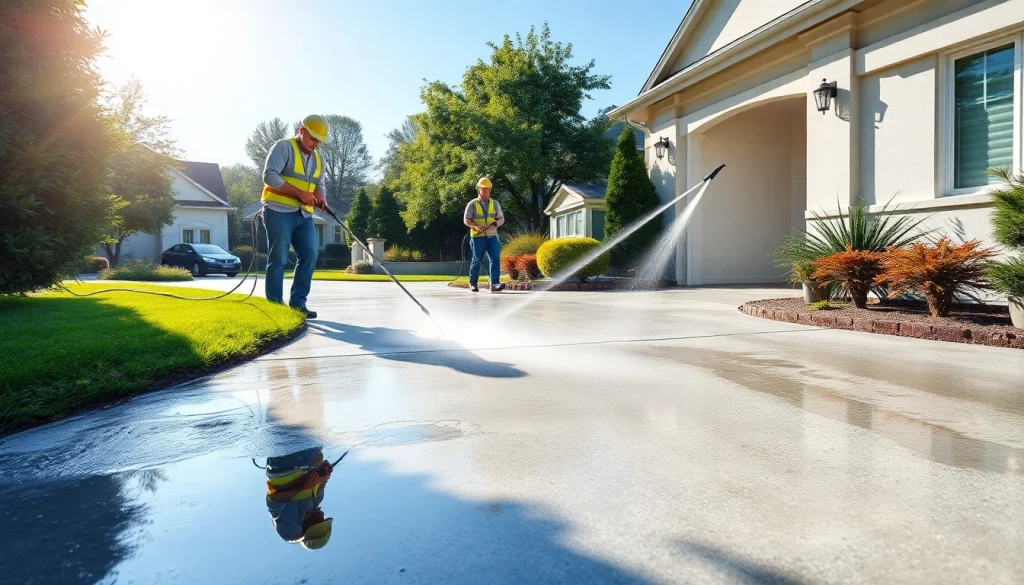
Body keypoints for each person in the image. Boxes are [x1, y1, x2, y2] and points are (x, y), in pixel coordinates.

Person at [260, 115, 329, 318]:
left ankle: (298, 303)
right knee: (279, 258)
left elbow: (319, 184)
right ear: (301, 131)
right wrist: (299, 193)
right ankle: (274, 305)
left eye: (318, 141)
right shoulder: (283, 147)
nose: (315, 144)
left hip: (304, 215)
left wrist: (321, 198)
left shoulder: (319, 159)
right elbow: (269, 175)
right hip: (278, 211)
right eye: (312, 138)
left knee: (310, 254)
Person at [263, 447, 336, 550]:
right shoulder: (317, 500)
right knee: (317, 451)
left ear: (310, 526)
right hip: (306, 460)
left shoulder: (291, 532)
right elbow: (323, 481)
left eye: (320, 520)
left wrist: (302, 487)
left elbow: (273, 500)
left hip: (283, 467)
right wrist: (326, 473)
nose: (322, 515)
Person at [463, 177, 507, 293]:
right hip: (478, 237)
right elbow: (466, 220)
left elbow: (501, 218)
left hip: (492, 236)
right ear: (479, 190)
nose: (486, 192)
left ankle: (495, 284)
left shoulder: (495, 204)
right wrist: (476, 226)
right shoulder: (472, 204)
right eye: (484, 190)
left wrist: (496, 223)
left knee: (495, 258)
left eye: (488, 190)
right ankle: (473, 283)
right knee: (477, 259)